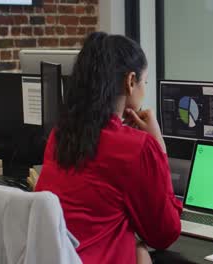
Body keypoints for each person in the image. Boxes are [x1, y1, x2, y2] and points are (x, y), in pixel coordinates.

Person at [35, 32, 183, 264]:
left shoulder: (60, 134)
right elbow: (165, 234)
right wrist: (159, 148)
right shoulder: (136, 147)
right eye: (145, 81)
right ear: (130, 81)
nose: (144, 88)